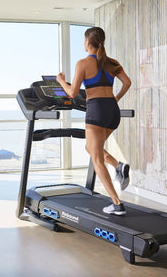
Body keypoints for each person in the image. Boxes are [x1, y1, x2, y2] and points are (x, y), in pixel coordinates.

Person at [57, 27, 132, 216]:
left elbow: (72, 92)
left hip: (97, 111)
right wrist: (115, 99)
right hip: (112, 112)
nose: (83, 44)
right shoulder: (112, 63)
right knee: (90, 148)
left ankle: (116, 204)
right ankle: (118, 166)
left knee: (96, 158)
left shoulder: (82, 63)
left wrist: (60, 81)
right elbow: (127, 83)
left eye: (84, 41)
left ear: (88, 42)